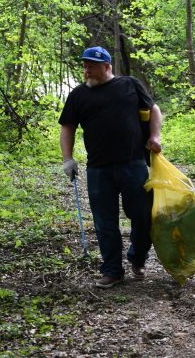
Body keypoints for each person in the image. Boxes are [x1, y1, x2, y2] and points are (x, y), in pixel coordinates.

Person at [59, 46, 162, 288]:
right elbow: (67, 127)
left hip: (133, 163)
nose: (87, 70)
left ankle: (137, 257)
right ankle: (112, 270)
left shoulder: (129, 85)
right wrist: (67, 158)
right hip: (98, 169)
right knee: (105, 222)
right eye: (85, 65)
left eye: (92, 65)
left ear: (107, 67)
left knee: (142, 216)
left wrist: (155, 136)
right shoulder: (78, 96)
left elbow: (154, 109)